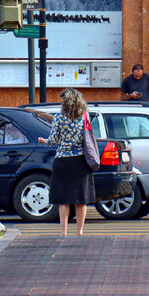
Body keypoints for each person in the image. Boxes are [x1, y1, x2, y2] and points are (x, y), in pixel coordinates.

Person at [37, 87, 95, 238]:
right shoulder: (84, 116)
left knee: (63, 198)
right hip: (81, 161)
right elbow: (87, 138)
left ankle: (63, 231)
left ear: (66, 101)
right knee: (80, 199)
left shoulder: (59, 117)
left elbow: (53, 140)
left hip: (63, 160)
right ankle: (80, 231)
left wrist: (44, 141)